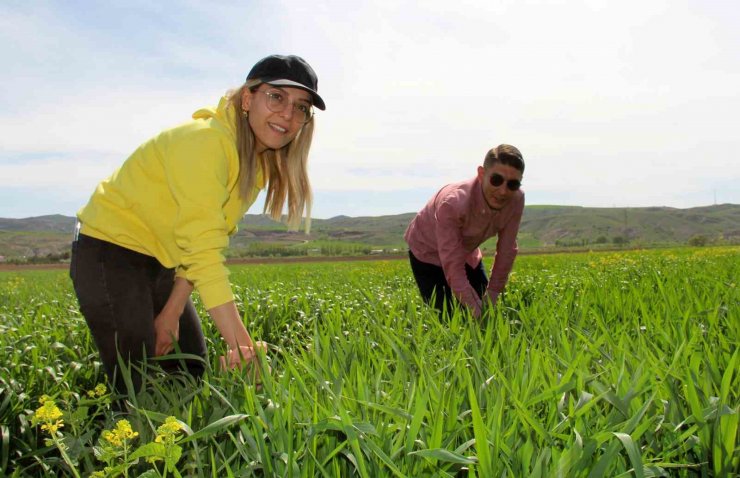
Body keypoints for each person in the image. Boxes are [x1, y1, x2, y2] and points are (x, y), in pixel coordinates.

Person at [69, 54, 326, 393]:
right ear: (248, 99)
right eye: (276, 97)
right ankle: (108, 436)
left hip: (163, 260)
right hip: (109, 251)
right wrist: (243, 349)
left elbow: (206, 240)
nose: (287, 114)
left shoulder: (255, 167)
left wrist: (172, 313)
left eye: (300, 107)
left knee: (190, 368)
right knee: (134, 381)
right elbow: (204, 252)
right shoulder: (205, 143)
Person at [404, 144, 525, 318]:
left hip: (466, 252)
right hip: (426, 253)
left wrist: (493, 294)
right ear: (482, 174)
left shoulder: (516, 199)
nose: (503, 191)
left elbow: (507, 250)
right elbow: (452, 262)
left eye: (513, 184)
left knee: (488, 309)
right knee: (448, 317)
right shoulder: (452, 203)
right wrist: (474, 308)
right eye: (496, 180)